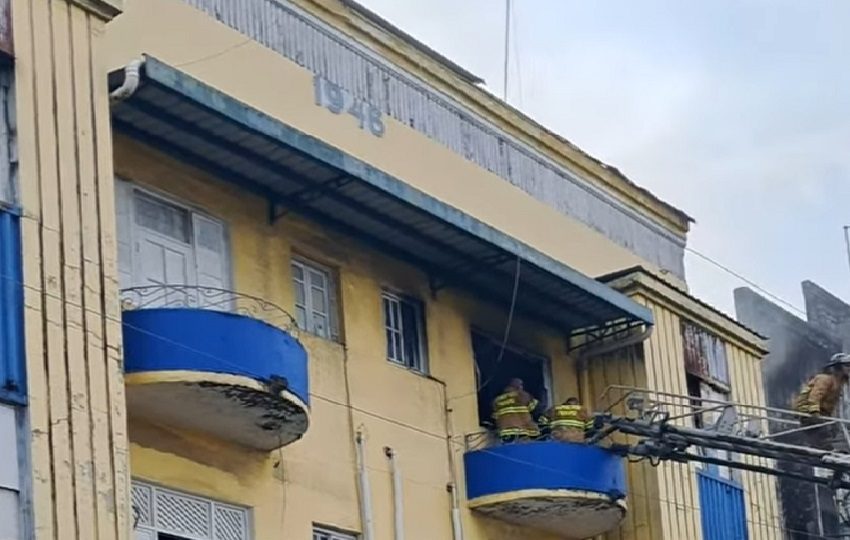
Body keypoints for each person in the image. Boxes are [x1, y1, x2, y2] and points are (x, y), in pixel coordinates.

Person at [793, 353, 850, 450]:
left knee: (832, 431)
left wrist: (830, 418)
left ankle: (829, 450)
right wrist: (815, 413)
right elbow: (815, 396)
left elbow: (832, 404)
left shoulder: (839, 384)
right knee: (821, 432)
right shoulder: (825, 379)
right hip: (808, 411)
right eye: (847, 365)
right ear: (838, 368)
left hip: (822, 413)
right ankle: (827, 450)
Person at [492, 378, 539, 443]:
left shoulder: (497, 400)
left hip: (506, 432)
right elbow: (535, 409)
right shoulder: (522, 395)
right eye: (521, 385)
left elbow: (495, 416)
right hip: (523, 431)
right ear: (518, 386)